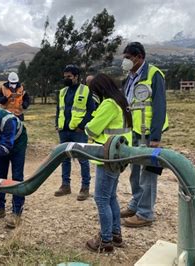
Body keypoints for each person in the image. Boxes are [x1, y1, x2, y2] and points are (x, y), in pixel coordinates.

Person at [120, 42, 168, 227]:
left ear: (139, 57)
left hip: (148, 133)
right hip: (134, 131)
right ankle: (136, 204)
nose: (126, 61)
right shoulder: (130, 77)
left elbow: (159, 106)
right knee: (135, 171)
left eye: (128, 58)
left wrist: (156, 137)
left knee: (148, 173)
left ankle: (146, 213)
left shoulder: (154, 75)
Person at [84, 73, 132, 253]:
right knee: (110, 196)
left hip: (107, 156)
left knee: (101, 198)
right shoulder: (121, 101)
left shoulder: (109, 104)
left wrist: (92, 126)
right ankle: (116, 234)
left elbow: (91, 128)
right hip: (119, 155)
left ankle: (105, 241)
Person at [54, 64, 95, 201]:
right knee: (64, 158)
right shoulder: (62, 92)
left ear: (76, 77)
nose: (66, 79)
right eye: (65, 77)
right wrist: (57, 124)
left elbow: (91, 111)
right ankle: (65, 185)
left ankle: (85, 187)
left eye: (69, 77)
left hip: (78, 131)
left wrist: (82, 126)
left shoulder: (86, 90)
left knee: (82, 159)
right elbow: (59, 109)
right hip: (64, 131)